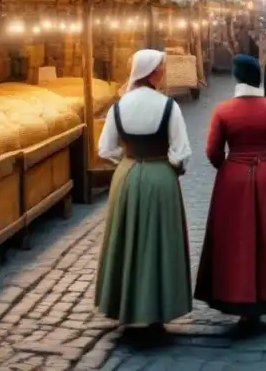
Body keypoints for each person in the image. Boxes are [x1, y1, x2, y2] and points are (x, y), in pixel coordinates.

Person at [194, 56, 266, 325]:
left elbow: (212, 150)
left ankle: (234, 293)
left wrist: (227, 167)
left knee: (235, 238)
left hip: (232, 177)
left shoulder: (223, 110)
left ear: (237, 78)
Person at [95, 50, 192, 333]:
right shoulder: (168, 106)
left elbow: (105, 149)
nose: (164, 72)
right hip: (160, 174)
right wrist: (172, 167)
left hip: (126, 176)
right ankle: (156, 310)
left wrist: (126, 160)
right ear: (151, 72)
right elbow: (181, 151)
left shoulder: (118, 106)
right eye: (162, 68)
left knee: (126, 239)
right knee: (158, 242)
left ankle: (124, 304)